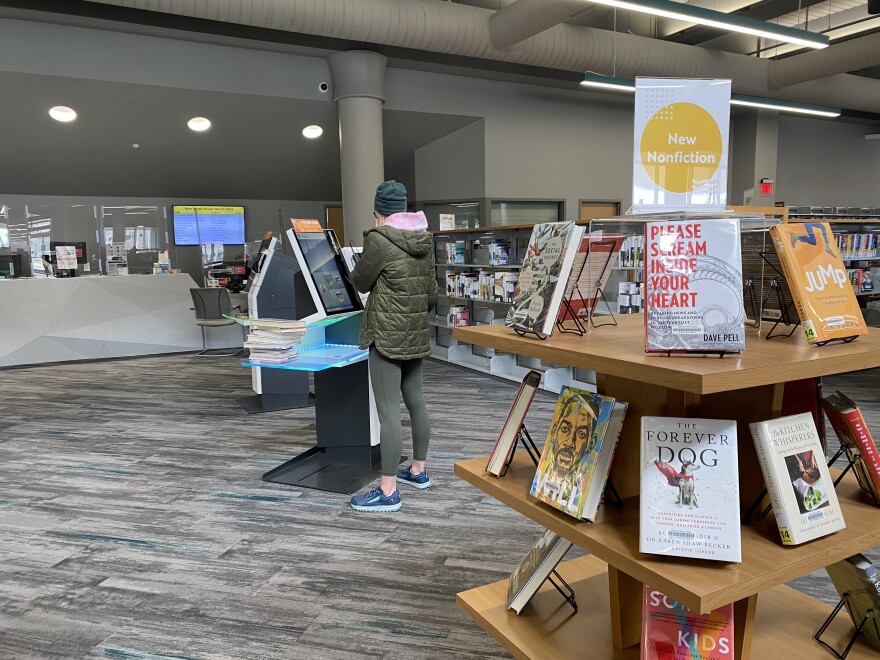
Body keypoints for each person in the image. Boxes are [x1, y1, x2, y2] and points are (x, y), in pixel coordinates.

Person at [348, 180, 438, 513]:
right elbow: (431, 296)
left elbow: (359, 281)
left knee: (388, 414)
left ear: (381, 214)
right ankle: (418, 469)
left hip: (386, 337)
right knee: (416, 402)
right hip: (415, 334)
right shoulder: (425, 240)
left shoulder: (380, 240)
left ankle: (388, 492)